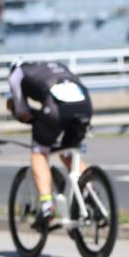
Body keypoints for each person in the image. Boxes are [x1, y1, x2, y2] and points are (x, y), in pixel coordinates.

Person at [7, 59, 93, 230]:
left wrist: (21, 113)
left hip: (57, 108)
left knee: (39, 152)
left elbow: (22, 111)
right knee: (68, 151)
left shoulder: (17, 72)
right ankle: (90, 193)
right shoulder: (56, 66)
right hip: (85, 104)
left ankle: (47, 207)